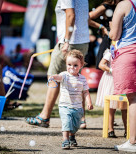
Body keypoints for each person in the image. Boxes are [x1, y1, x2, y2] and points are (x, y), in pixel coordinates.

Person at [26, 0, 90, 128]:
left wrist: (66, 40)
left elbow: (71, 15)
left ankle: (44, 117)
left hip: (69, 41)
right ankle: (80, 119)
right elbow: (85, 17)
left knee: (53, 76)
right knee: (75, 78)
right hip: (83, 41)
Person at [109, 0, 136, 152]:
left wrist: (111, 27)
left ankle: (132, 142)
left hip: (130, 54)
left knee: (134, 98)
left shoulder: (125, 4)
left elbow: (115, 35)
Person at [48, 50, 93, 149]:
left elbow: (85, 92)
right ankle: (65, 140)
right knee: (66, 122)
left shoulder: (82, 79)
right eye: (69, 64)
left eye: (75, 65)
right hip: (65, 105)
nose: (72, 67)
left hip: (77, 107)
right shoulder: (65, 75)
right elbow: (59, 77)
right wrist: (53, 77)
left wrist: (89, 102)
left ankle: (72, 136)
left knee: (75, 126)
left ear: (81, 65)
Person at [96, 42, 127, 138]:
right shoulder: (111, 53)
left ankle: (127, 129)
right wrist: (111, 70)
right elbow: (101, 65)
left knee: (124, 107)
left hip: (122, 80)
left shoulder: (126, 53)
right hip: (111, 81)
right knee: (111, 107)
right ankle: (110, 129)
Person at [89, 0, 122, 69]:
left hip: (120, 39)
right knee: (103, 63)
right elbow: (86, 18)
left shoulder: (123, 5)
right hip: (109, 38)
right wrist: (101, 27)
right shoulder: (106, 7)